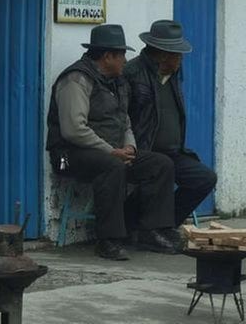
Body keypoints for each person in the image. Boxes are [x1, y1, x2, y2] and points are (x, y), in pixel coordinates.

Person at [46, 24, 178, 260]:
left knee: (161, 164)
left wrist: (129, 147)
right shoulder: (76, 79)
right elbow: (73, 130)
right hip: (67, 156)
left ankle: (149, 230)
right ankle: (108, 240)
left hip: (110, 151)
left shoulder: (116, 82)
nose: (126, 61)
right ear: (107, 57)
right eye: (122, 55)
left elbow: (125, 120)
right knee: (112, 167)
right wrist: (112, 151)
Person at [124, 20, 218, 245]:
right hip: (143, 150)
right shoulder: (133, 73)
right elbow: (121, 115)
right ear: (162, 54)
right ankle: (150, 229)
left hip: (172, 152)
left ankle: (163, 225)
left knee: (204, 178)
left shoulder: (173, 74)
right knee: (161, 168)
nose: (181, 59)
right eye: (177, 54)